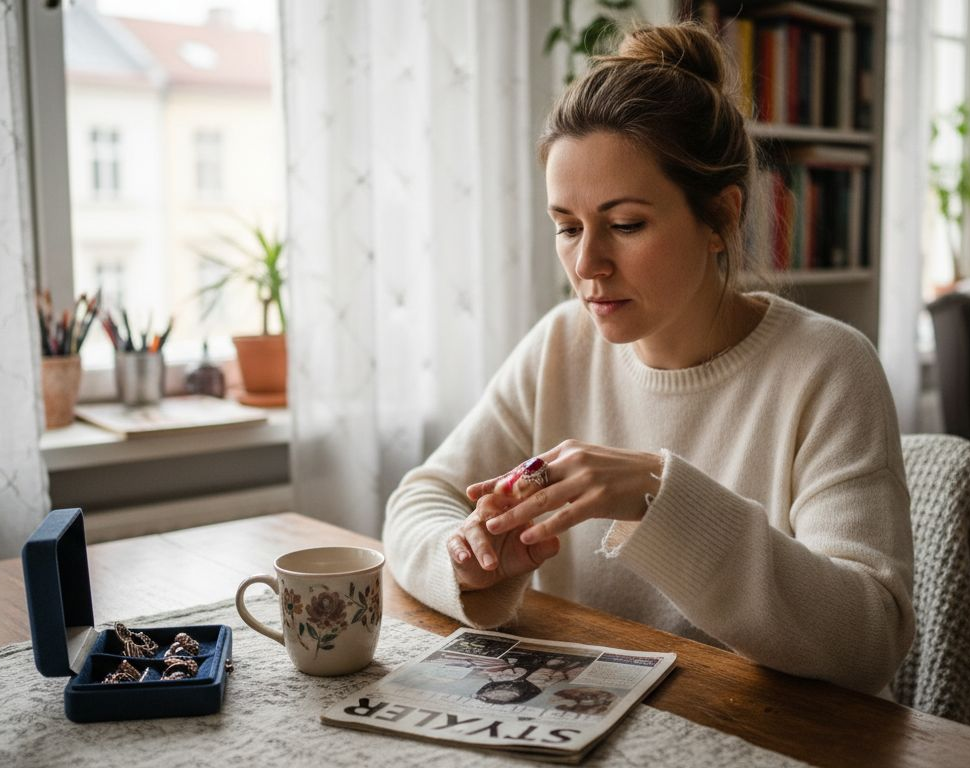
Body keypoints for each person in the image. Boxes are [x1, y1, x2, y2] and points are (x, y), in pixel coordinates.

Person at [384, 22, 914, 696]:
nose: (587, 263)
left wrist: (661, 494)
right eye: (567, 227)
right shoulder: (560, 342)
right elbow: (419, 500)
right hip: (594, 715)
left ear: (722, 217)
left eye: (626, 225)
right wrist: (468, 560)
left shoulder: (828, 367)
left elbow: (871, 638)